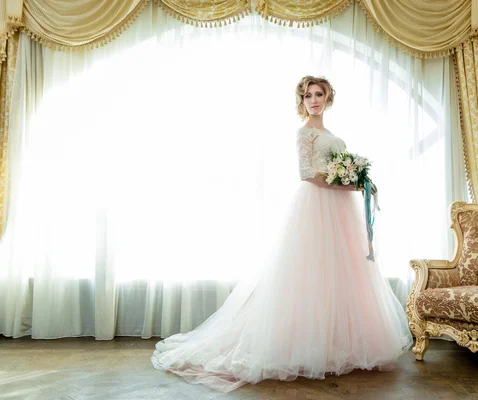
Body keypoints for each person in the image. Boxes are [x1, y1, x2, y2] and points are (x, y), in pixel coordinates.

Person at [151, 76, 413, 393]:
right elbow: (308, 174)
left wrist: (356, 180)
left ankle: (335, 345)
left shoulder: (331, 134)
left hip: (341, 211)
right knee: (308, 275)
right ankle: (305, 346)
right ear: (301, 101)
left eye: (319, 94)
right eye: (307, 96)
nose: (313, 100)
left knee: (341, 274)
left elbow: (334, 169)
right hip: (315, 208)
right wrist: (352, 184)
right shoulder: (305, 134)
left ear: (329, 98)